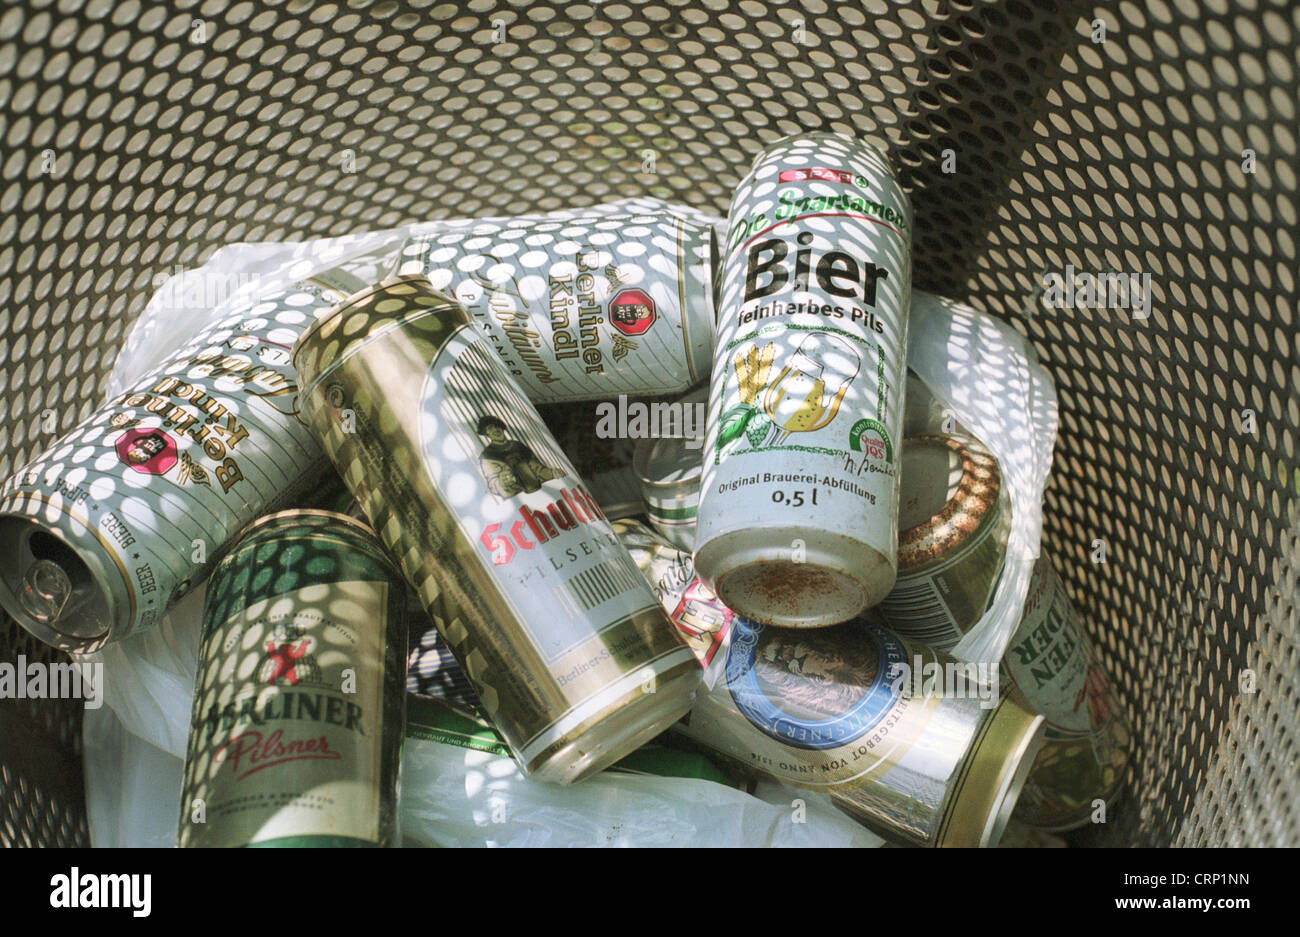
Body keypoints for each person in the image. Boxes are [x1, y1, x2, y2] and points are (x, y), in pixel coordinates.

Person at [476, 415, 560, 497]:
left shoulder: (518, 445)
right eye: (490, 428)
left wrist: (552, 473)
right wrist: (501, 482)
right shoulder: (487, 455)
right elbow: (492, 484)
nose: (495, 430)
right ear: (486, 433)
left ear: (502, 428)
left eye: (497, 426)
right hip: (516, 496)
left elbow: (537, 467)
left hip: (539, 490)